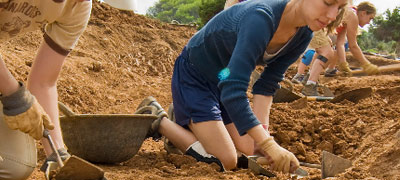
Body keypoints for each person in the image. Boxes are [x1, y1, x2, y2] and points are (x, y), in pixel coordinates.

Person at [137, 0, 347, 173]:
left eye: (339, 7)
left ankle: (187, 119)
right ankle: (159, 119)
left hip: (224, 75)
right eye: (328, 2)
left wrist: (264, 139)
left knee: (249, 149)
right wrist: (268, 145)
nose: (332, 15)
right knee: (226, 160)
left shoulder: (303, 34)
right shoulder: (261, 19)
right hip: (195, 75)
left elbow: (266, 86)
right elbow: (234, 92)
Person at [0, 0, 91, 179]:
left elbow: (44, 82)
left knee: (15, 164)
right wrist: (14, 94)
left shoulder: (77, 7)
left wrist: (57, 154)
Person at [300, 1, 379, 96]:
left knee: (327, 50)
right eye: (370, 18)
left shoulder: (349, 14)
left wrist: (343, 64)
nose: (369, 22)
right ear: (363, 13)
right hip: (312, 22)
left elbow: (340, 43)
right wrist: (366, 64)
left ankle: (308, 78)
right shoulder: (353, 16)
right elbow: (353, 46)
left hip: (312, 22)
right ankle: (310, 86)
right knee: (327, 53)